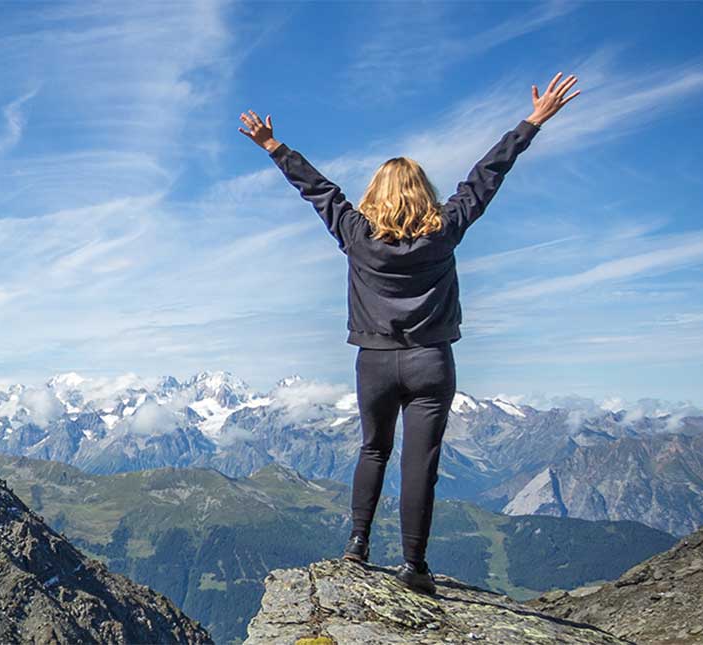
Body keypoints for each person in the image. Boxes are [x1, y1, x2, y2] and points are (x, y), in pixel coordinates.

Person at [237, 72, 581, 594]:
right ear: (426, 194)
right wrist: (531, 122)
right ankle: (415, 567)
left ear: (374, 193)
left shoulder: (356, 234)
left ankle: (357, 546)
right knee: (421, 463)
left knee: (373, 450)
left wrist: (271, 145)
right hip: (431, 362)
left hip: (374, 362)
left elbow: (317, 189)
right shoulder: (445, 230)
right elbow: (487, 174)